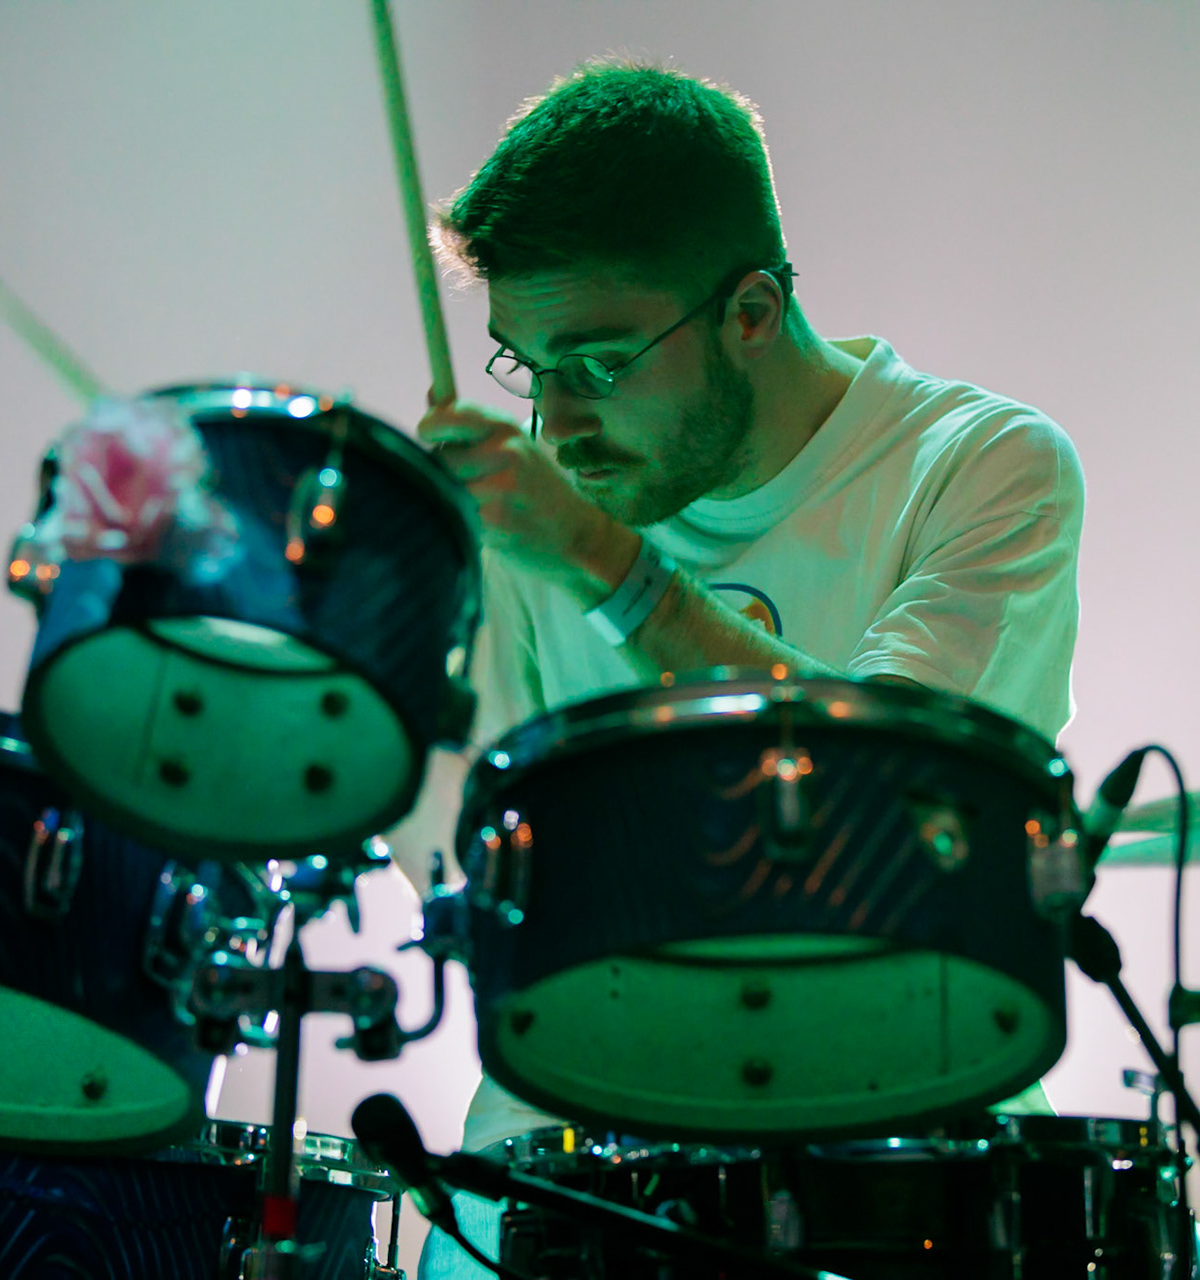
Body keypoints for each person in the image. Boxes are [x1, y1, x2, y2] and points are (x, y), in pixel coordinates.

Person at [407, 56, 1109, 1278]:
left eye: (601, 362)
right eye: (526, 363)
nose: (557, 424)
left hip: (899, 1160)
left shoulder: (979, 466)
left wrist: (605, 563)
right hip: (573, 1153)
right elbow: (467, 850)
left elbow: (890, 800)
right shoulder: (536, 515)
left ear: (751, 309)